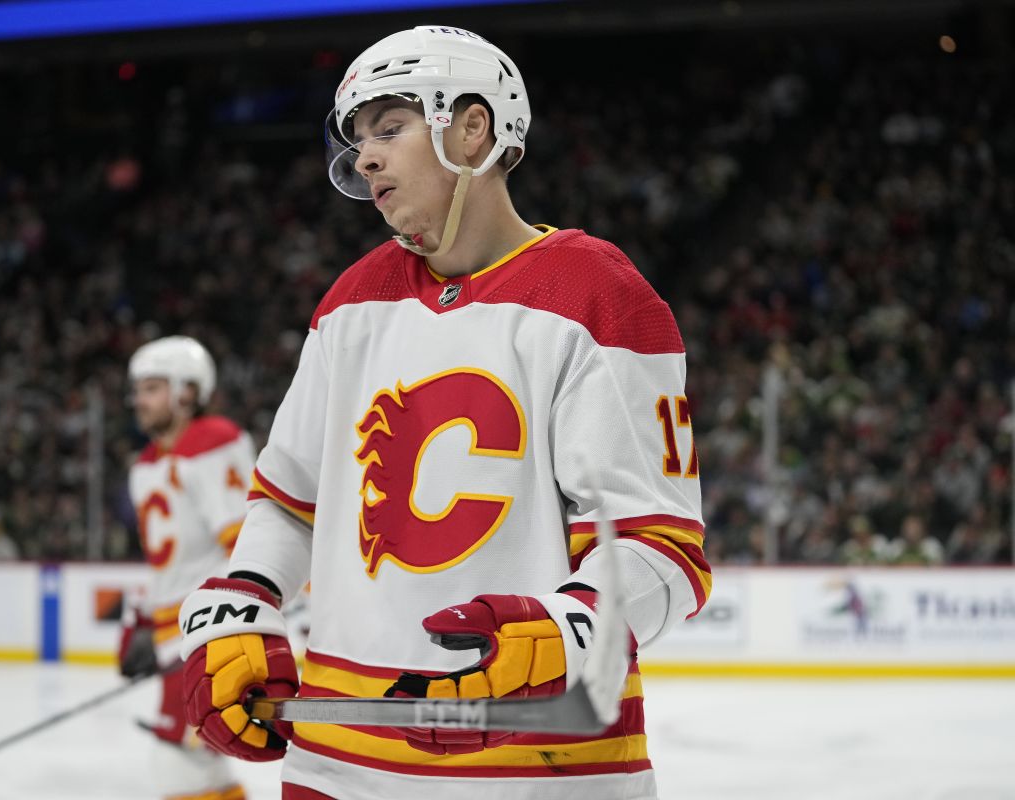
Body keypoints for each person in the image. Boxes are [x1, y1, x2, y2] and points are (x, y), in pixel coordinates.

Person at [176, 26, 711, 800]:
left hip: (538, 767)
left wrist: (569, 630)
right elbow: (290, 503)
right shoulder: (351, 302)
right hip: (335, 764)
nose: (365, 156)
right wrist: (248, 600)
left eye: (389, 128)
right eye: (358, 138)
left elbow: (664, 548)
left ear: (472, 127)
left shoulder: (598, 297)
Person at [121, 335, 256, 800]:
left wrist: (234, 626)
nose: (139, 400)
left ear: (187, 392)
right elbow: (169, 564)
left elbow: (248, 544)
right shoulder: (144, 465)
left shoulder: (210, 443)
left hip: (207, 632)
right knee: (199, 763)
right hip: (172, 633)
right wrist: (141, 618)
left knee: (177, 761)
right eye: (138, 389)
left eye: (152, 387)